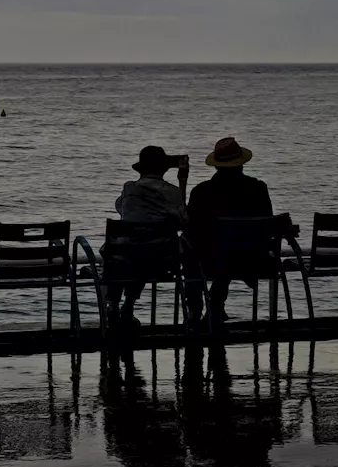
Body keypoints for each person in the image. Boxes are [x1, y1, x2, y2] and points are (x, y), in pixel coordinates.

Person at [185, 137, 273, 326]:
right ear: (241, 164)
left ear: (216, 166)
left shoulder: (202, 192)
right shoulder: (258, 188)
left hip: (213, 261)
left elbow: (191, 228)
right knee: (226, 251)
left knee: (193, 250)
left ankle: (194, 309)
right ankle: (216, 303)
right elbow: (267, 225)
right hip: (254, 260)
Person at [108, 146, 188, 330]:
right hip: (162, 261)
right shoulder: (172, 192)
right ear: (164, 169)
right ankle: (127, 306)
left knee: (125, 255)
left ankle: (113, 304)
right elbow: (184, 220)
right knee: (145, 254)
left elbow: (121, 209)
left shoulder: (129, 189)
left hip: (128, 257)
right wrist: (182, 182)